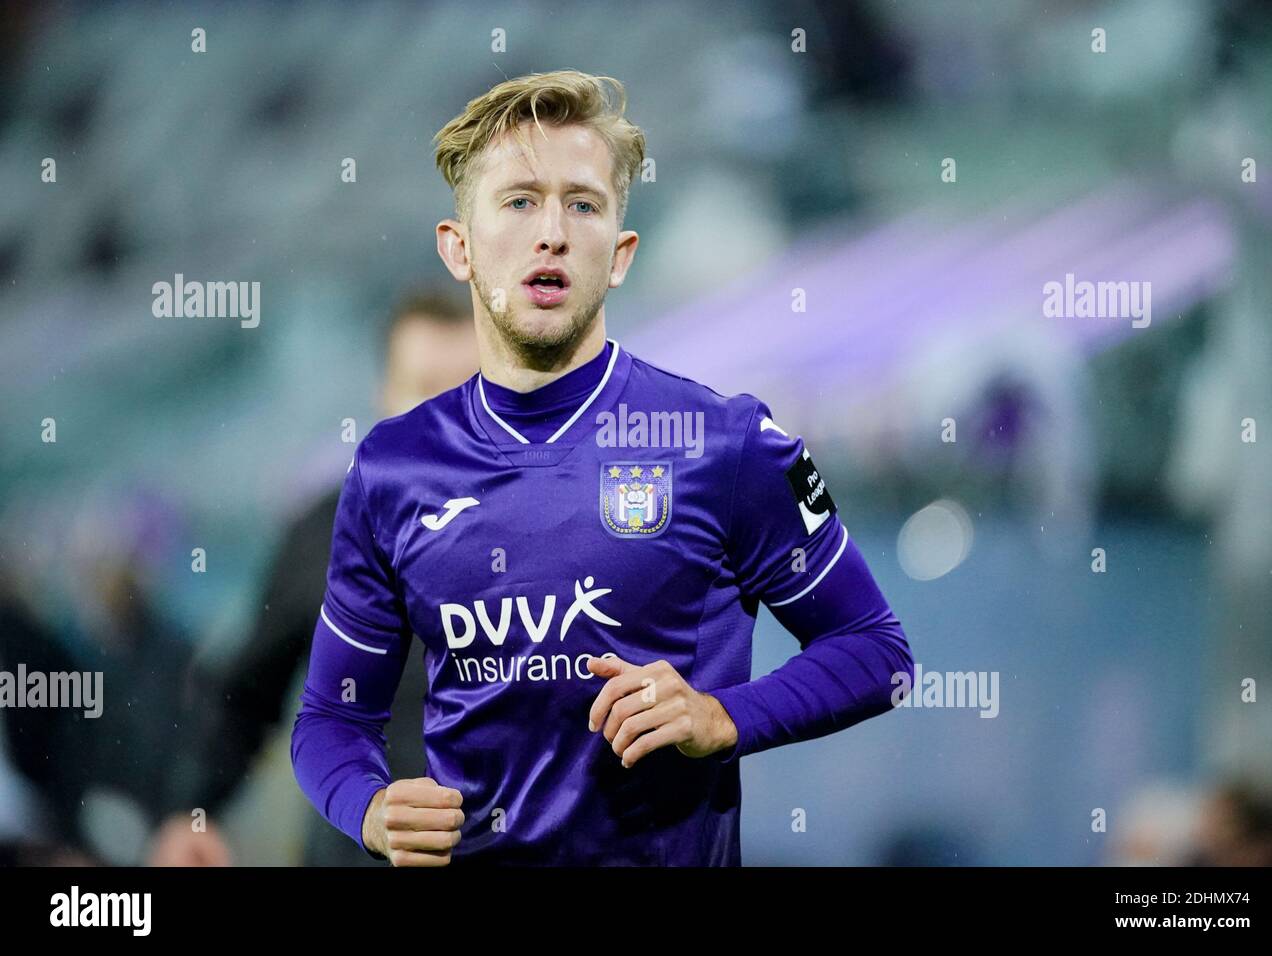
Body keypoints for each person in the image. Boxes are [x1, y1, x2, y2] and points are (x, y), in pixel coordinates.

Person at [291, 70, 914, 867]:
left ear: (619, 255)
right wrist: (368, 806)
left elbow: (875, 652)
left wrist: (721, 718)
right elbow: (333, 720)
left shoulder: (722, 444)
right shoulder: (391, 469)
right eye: (518, 202)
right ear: (460, 248)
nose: (551, 232)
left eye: (582, 204)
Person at [148, 289, 478, 866]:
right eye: (424, 389)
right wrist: (194, 812)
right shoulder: (322, 534)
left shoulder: (555, 523)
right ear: (384, 397)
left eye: (466, 389)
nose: (442, 414)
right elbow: (246, 688)